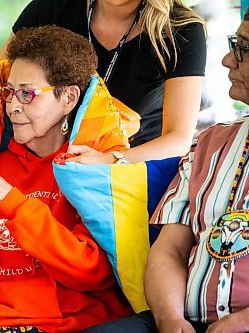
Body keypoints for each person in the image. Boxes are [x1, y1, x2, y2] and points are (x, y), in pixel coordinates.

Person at [0, 25, 132, 333]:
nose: (13, 106)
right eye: (9, 92)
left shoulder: (87, 170)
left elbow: (91, 270)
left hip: (58, 325)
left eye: (27, 94)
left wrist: (10, 202)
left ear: (69, 99)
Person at [86, 11, 249, 333]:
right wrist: (171, 320)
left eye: (243, 48)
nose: (228, 60)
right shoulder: (209, 144)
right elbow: (170, 248)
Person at [0, 0, 206, 168]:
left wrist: (111, 161)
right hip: (43, 159)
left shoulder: (182, 30)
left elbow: (178, 139)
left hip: (130, 169)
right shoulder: (53, 6)